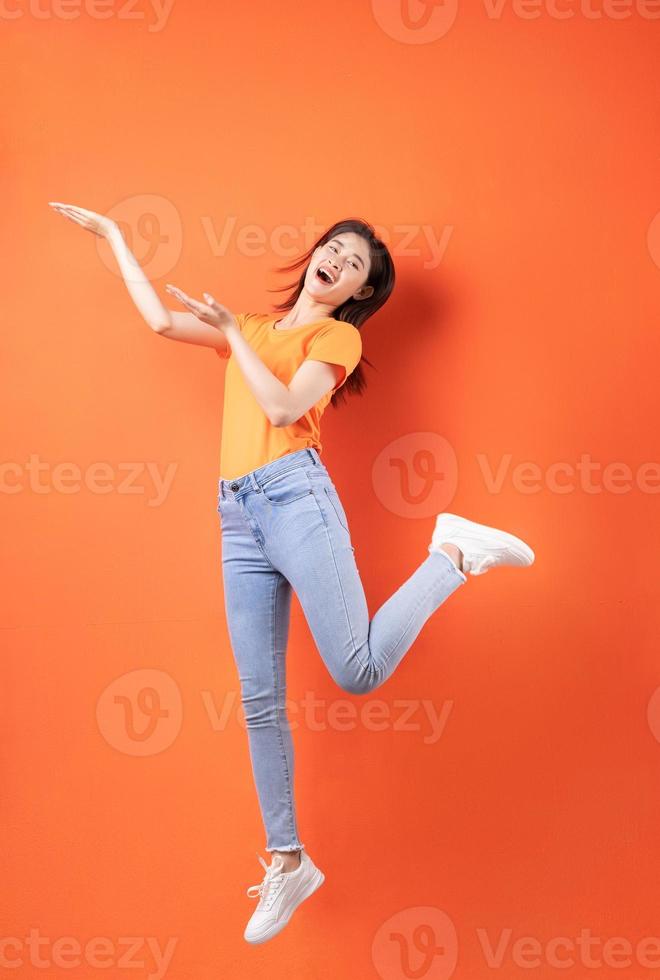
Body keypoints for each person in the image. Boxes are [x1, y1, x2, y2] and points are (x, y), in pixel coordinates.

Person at [48, 205, 535, 945]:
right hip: (237, 515)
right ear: (313, 256)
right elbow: (159, 322)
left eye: (355, 266)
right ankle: (288, 858)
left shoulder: (333, 336)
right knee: (258, 698)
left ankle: (452, 555)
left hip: (296, 498)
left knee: (358, 669)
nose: (336, 261)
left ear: (355, 295)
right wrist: (114, 239)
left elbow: (280, 405)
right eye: (332, 249)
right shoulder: (252, 326)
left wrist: (239, 339)